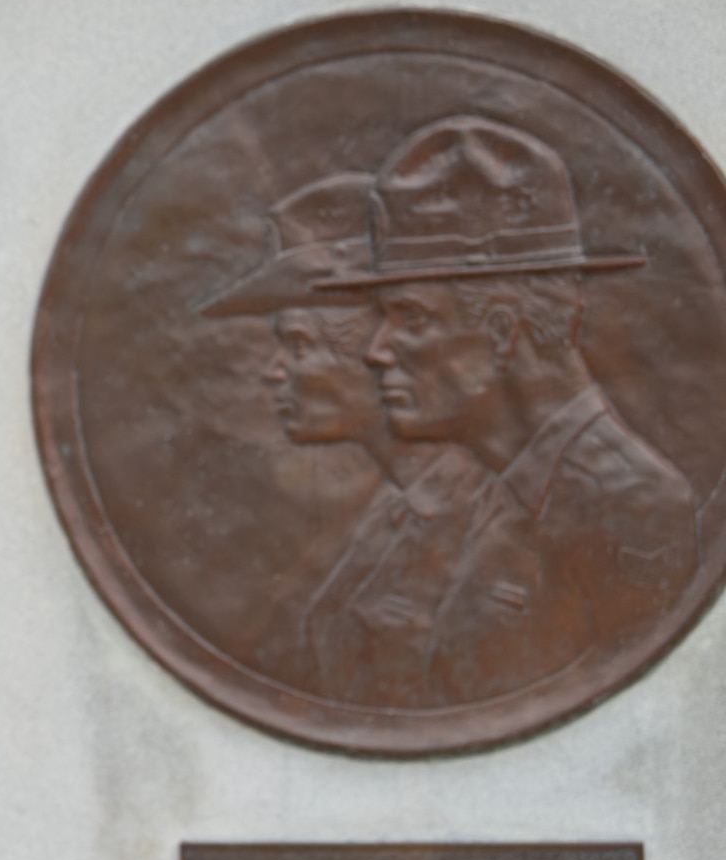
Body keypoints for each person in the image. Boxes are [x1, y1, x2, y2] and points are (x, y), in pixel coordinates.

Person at [324, 115, 699, 704]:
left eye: (412, 318)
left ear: (500, 330)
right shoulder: (482, 491)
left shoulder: (630, 505)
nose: (377, 351)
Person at [202, 173, 487, 705]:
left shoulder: (490, 509)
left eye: (299, 343)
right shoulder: (395, 510)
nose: (275, 371)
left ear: (378, 347)